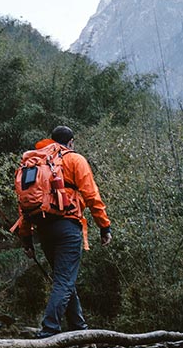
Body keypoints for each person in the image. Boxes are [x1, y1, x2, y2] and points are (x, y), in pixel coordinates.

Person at [14, 126, 112, 336]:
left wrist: (27, 239)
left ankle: (79, 329)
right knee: (64, 281)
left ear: (52, 141)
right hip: (68, 227)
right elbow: (92, 196)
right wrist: (104, 227)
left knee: (64, 279)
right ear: (71, 142)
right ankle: (48, 331)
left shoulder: (35, 163)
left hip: (43, 228)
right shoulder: (75, 159)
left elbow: (24, 205)